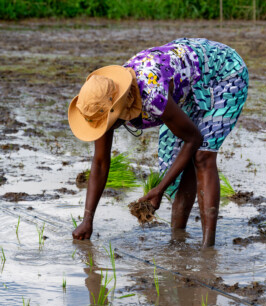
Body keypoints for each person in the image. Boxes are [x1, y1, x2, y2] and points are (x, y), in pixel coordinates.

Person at [68, 38, 248, 247]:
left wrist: (160, 189)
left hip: (223, 72)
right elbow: (100, 163)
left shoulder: (152, 96)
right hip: (188, 79)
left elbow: (194, 139)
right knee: (179, 160)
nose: (104, 128)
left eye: (107, 123)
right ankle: (177, 238)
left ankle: (208, 250)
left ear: (118, 110)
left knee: (202, 155)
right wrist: (87, 220)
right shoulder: (102, 104)